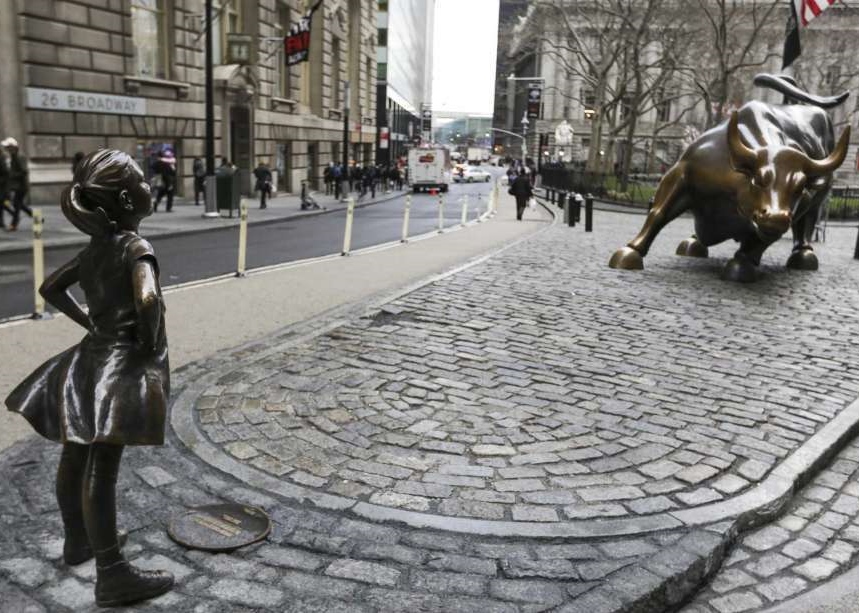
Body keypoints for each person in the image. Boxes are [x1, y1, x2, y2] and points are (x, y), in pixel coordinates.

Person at [4, 149, 174, 607]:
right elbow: (147, 299)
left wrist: (90, 324)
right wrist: (147, 342)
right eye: (142, 182)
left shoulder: (96, 249)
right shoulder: (135, 247)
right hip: (119, 367)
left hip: (88, 360)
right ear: (127, 199)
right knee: (103, 462)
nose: (148, 186)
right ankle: (113, 573)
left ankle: (78, 541)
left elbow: (50, 287)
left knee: (75, 452)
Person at [2, 137, 33, 231]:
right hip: (17, 186)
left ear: (13, 147)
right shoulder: (13, 156)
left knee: (16, 204)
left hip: (22, 186)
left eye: (7, 147)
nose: (6, 149)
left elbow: (24, 171)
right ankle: (35, 216)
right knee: (18, 204)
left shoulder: (19, 157)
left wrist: (12, 175)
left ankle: (14, 224)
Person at [152, 148, 176, 213]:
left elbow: (152, 167)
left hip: (160, 182)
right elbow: (171, 173)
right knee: (170, 195)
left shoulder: (156, 164)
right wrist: (170, 184)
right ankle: (168, 208)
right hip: (167, 182)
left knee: (160, 195)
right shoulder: (166, 164)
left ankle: (155, 204)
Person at [0, 147, 9, 229]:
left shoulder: (1, 158)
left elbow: (5, 172)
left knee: (2, 204)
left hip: (2, 186)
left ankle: (1, 222)